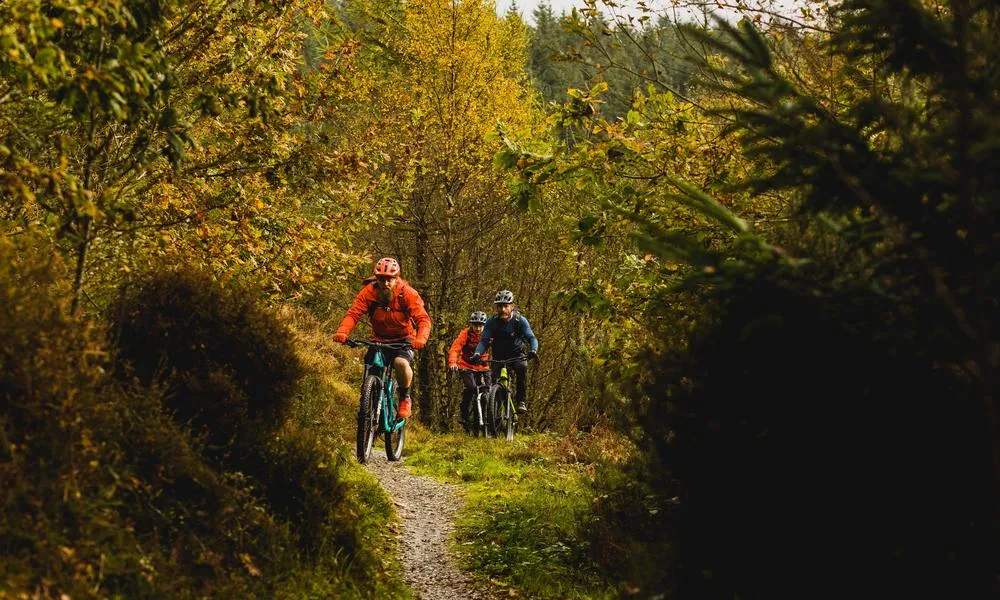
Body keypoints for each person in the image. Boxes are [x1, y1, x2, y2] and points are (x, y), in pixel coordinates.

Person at [332, 257, 430, 418]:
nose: (385, 283)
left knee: (400, 363)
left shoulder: (407, 293)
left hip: (404, 339)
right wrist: (343, 332)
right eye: (381, 279)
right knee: (371, 366)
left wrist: (421, 338)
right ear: (376, 278)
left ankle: (405, 397)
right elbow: (354, 313)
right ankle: (368, 405)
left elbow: (423, 319)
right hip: (378, 339)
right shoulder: (369, 292)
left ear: (396, 278)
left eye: (389, 280)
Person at [473, 290, 538, 414]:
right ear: (496, 307)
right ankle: (495, 411)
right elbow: (484, 341)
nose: (502, 309)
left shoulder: (520, 321)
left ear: (512, 306)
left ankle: (520, 401)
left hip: (517, 355)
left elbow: (531, 337)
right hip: (499, 356)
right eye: (499, 306)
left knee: (521, 368)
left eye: (505, 306)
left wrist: (533, 350)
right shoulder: (491, 322)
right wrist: (477, 353)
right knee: (493, 381)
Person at [448, 311, 492, 431]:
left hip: (483, 366)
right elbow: (455, 348)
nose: (478, 328)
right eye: (475, 325)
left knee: (488, 392)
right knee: (471, 388)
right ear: (471, 324)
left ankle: (489, 417)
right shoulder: (465, 334)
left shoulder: (488, 334)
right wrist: (452, 362)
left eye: (480, 325)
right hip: (466, 365)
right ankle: (464, 415)